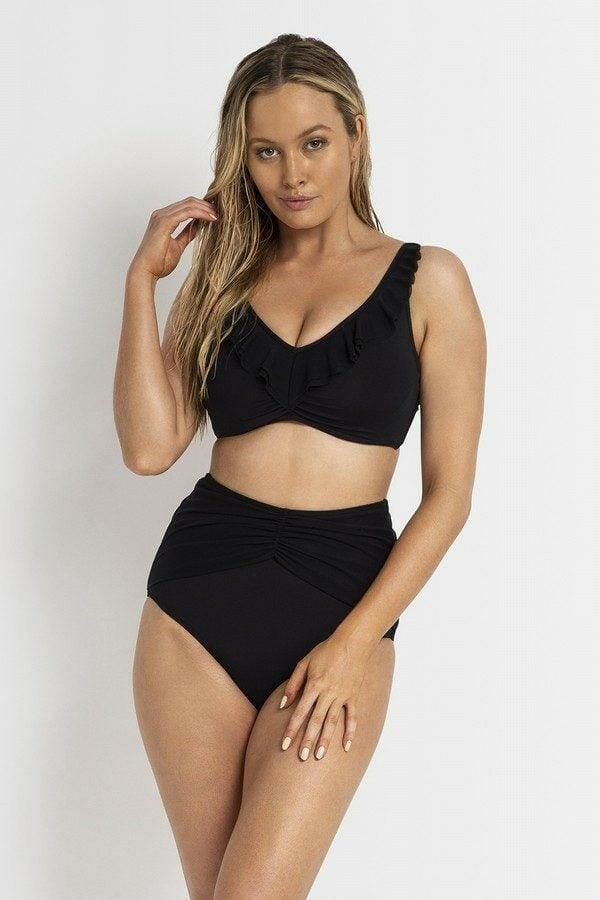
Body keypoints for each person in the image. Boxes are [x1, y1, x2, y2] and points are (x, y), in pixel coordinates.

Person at [113, 32, 486, 900]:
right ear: (241, 157)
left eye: (313, 142)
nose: (292, 174)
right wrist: (142, 283)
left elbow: (450, 497)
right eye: (266, 151)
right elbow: (149, 448)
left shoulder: (431, 281)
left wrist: (354, 645)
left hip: (342, 605)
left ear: (356, 132)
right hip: (194, 611)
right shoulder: (222, 279)